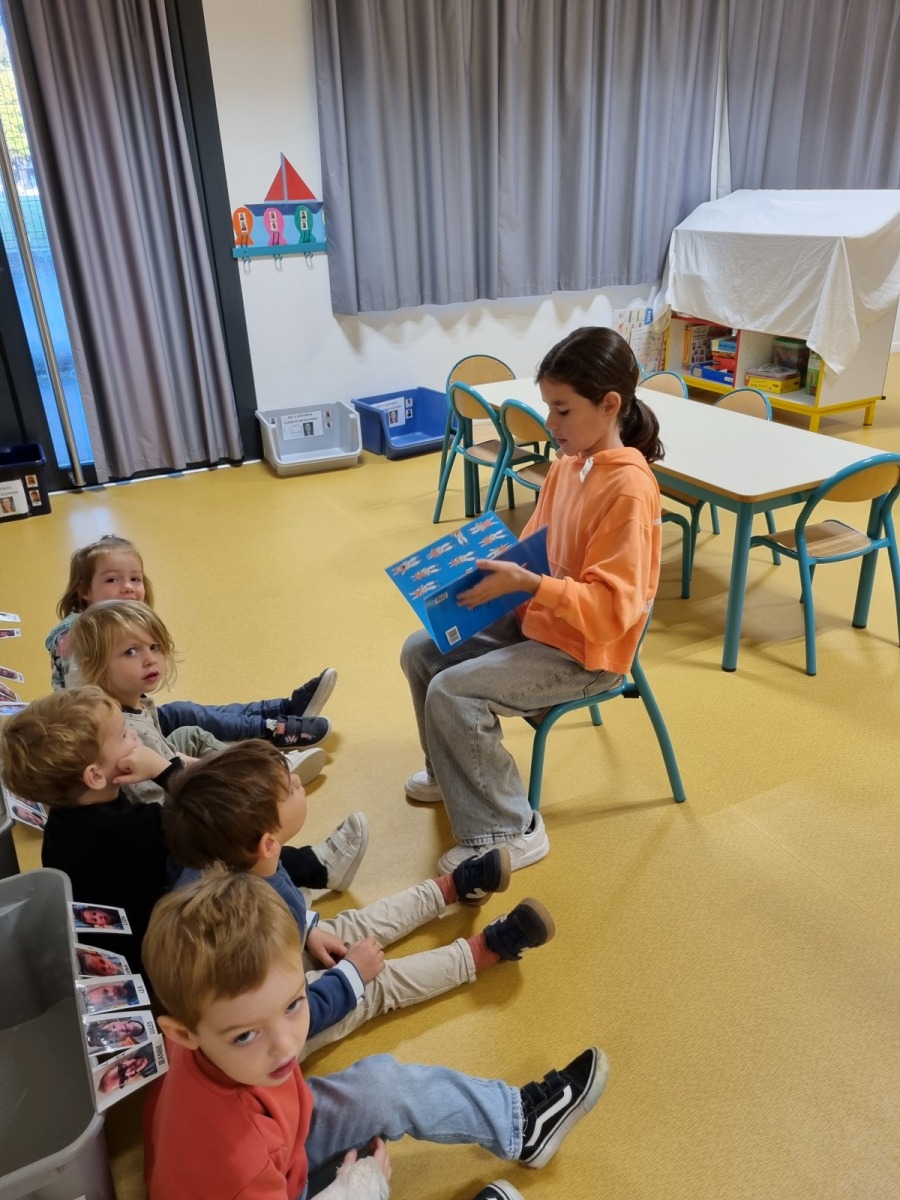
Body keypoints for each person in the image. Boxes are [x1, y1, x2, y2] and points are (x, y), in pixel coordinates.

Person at [142, 870, 608, 1200]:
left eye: (292, 1005)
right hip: (263, 1172)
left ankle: (521, 1125)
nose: (285, 1044)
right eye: (245, 1035)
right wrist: (356, 1192)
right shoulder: (233, 1162)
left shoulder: (216, 1038)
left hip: (280, 1137)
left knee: (382, 1084)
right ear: (182, 1034)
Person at [401, 327, 662, 872]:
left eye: (562, 410)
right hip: (540, 622)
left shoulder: (629, 488)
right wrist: (471, 569)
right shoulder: (568, 465)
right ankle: (452, 775)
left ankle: (510, 829)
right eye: (548, 407)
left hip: (587, 654)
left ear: (609, 405)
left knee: (454, 691)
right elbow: (534, 549)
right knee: (421, 650)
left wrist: (528, 585)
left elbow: (613, 611)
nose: (549, 423)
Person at [165, 741, 555, 1059]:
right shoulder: (241, 940)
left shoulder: (243, 861)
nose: (298, 782)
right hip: (281, 1025)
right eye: (290, 789)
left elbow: (286, 902)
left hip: (277, 955)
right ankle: (485, 950)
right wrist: (352, 974)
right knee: (377, 987)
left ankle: (451, 888)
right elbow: (296, 1019)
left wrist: (309, 930)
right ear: (268, 842)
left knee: (353, 925)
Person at [0, 689, 369, 971]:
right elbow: (206, 814)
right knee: (237, 842)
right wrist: (164, 769)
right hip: (174, 959)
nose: (135, 738)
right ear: (95, 776)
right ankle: (315, 870)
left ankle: (310, 871)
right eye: (125, 735)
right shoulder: (132, 829)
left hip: (143, 935)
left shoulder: (63, 824)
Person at [46, 533, 334, 745]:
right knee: (195, 720)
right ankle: (275, 731)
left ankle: (285, 708)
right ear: (84, 590)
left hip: (135, 714)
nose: (128, 588)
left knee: (196, 712)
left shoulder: (119, 619)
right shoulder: (76, 634)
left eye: (135, 579)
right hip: (118, 732)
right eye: (112, 580)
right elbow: (82, 700)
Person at [67, 599, 326, 802]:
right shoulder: (127, 731)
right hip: (172, 800)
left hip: (163, 765)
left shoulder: (134, 702)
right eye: (131, 652)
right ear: (95, 667)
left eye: (154, 647)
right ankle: (261, 775)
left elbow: (164, 751)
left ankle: (257, 761)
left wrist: (188, 762)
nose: (150, 659)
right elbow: (154, 799)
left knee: (191, 734)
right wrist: (200, 776)